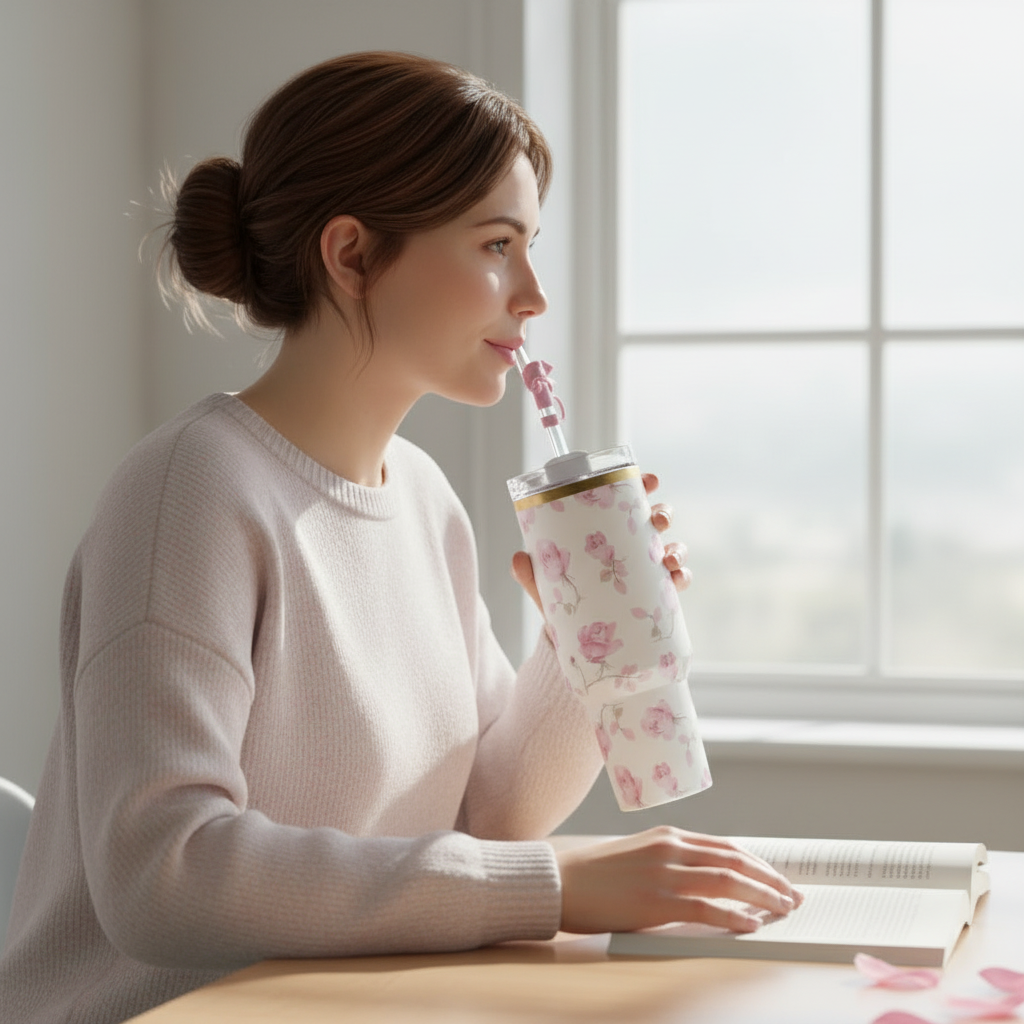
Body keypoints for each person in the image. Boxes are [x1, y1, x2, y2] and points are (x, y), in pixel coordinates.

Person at [0, 51, 799, 1024]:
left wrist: (576, 644)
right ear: (351, 255)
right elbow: (164, 877)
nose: (535, 293)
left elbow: (488, 812)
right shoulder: (191, 490)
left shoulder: (423, 498)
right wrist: (559, 882)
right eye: (497, 244)